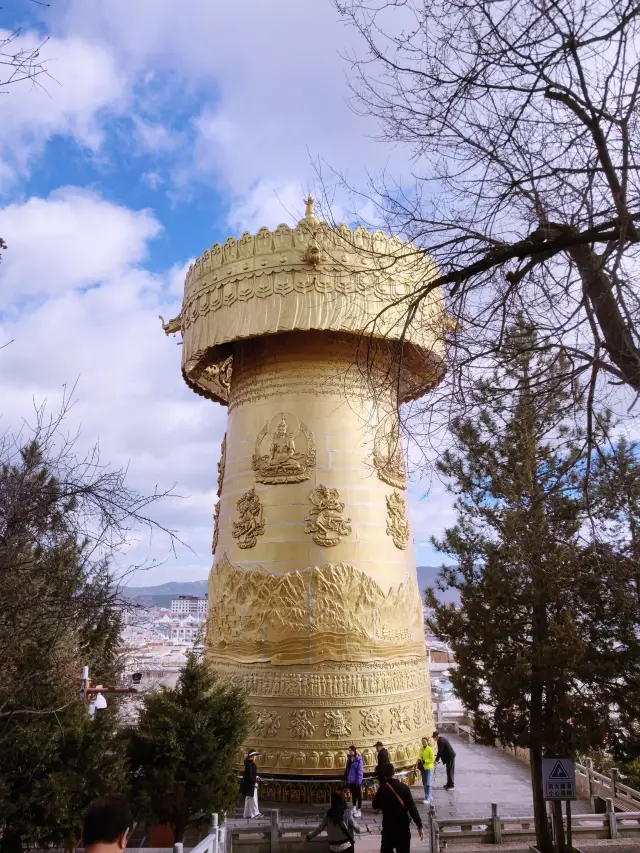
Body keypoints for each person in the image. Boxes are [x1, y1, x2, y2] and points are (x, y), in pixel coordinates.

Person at [372, 762, 424, 853]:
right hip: (403, 828)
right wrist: (419, 826)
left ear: (384, 775)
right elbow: (412, 808)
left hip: (388, 828)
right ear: (394, 773)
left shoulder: (382, 789)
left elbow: (374, 805)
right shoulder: (404, 788)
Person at [240, 749, 263, 818]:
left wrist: (256, 776)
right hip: (250, 784)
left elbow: (250, 774)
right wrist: (254, 782)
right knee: (253, 799)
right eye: (255, 755)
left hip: (248, 783)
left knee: (248, 798)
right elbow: (250, 775)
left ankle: (246, 814)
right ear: (252, 756)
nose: (256, 757)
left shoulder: (249, 763)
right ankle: (255, 814)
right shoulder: (250, 764)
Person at [343, 745, 364, 817]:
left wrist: (358, 782)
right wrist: (345, 777)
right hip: (351, 780)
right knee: (354, 794)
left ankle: (359, 809)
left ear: (354, 751)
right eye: (349, 751)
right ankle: (354, 807)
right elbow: (347, 769)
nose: (350, 752)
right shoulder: (349, 759)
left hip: (357, 781)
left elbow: (360, 771)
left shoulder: (359, 760)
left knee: (359, 795)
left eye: (351, 750)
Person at [417, 737, 435, 804]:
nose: (423, 742)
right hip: (422, 768)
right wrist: (419, 760)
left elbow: (432, 759)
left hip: (428, 767)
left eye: (424, 741)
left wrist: (425, 761)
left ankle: (427, 798)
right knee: (424, 783)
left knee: (427, 783)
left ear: (427, 742)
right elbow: (419, 756)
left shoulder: (430, 749)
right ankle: (428, 795)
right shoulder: (421, 749)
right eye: (422, 741)